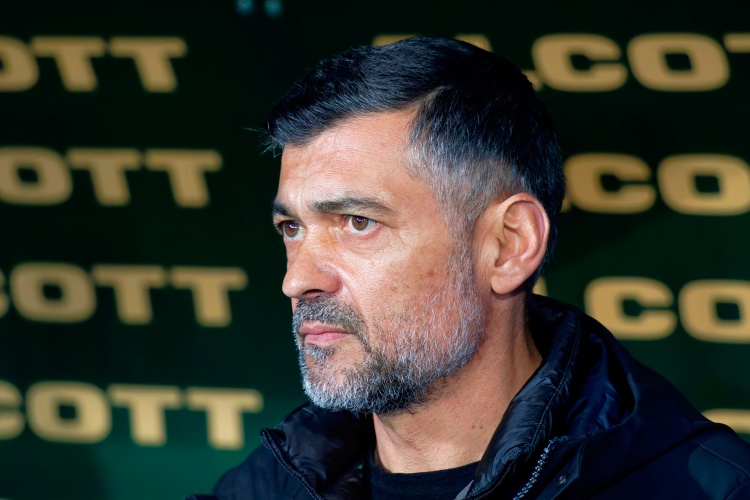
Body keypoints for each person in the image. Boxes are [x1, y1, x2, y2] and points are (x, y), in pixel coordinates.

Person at [189, 36, 750, 499]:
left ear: (508, 246)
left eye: (358, 222)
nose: (297, 280)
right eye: (292, 228)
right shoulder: (267, 485)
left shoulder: (704, 488)